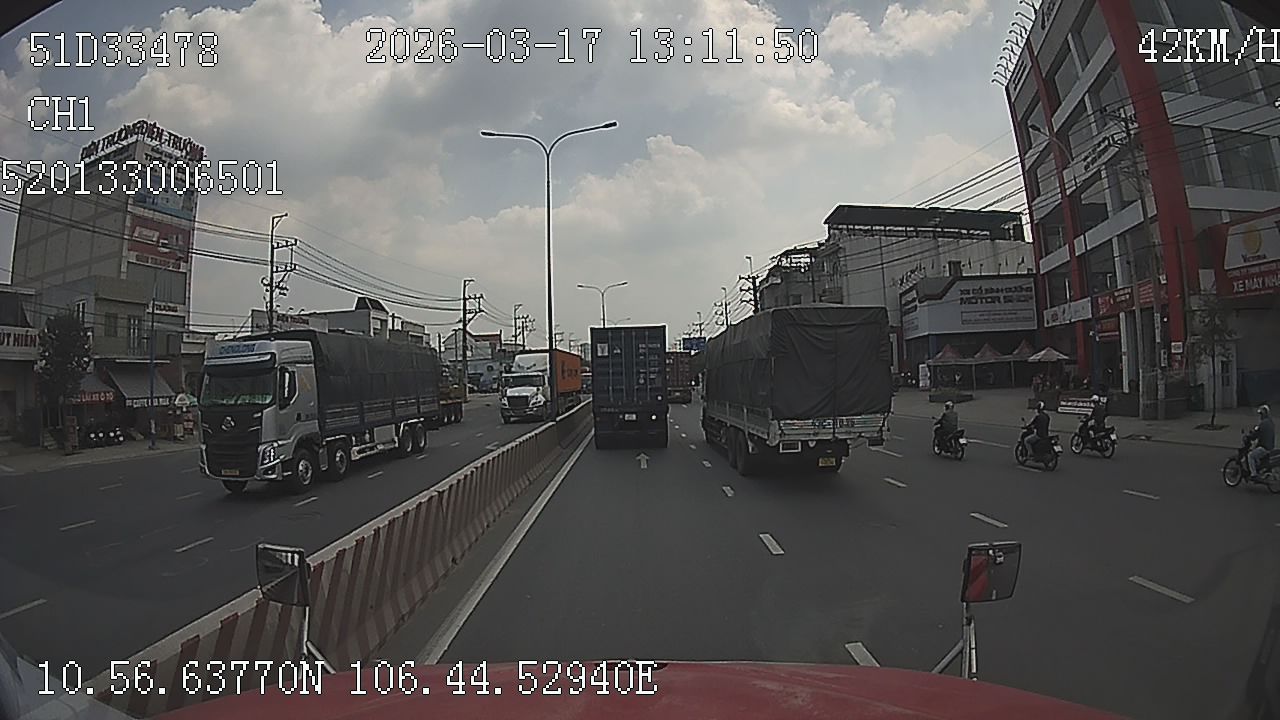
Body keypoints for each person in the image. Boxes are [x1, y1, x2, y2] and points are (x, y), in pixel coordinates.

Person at [1246, 405, 1275, 480]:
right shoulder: (1270, 422)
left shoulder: (1262, 423)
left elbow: (1255, 434)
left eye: (1261, 414)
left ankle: (1254, 474)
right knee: (1256, 452)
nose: (1260, 416)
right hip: (1270, 445)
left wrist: (1249, 436)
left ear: (1264, 414)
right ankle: (1258, 468)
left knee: (1251, 456)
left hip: (1264, 446)